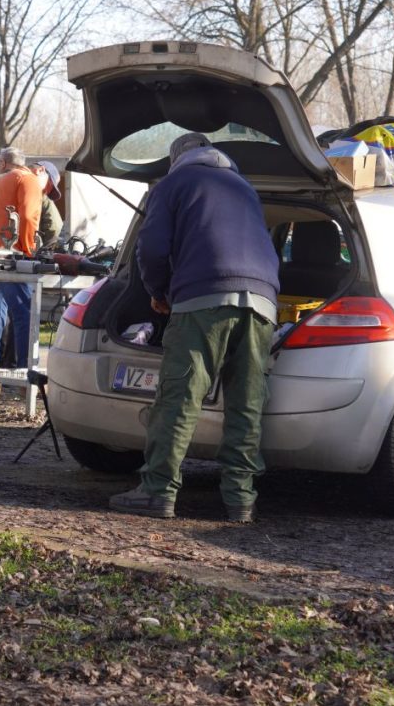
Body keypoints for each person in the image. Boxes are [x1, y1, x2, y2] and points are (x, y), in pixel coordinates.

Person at [109, 133, 279, 524]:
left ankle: (158, 491)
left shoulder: (173, 184)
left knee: (180, 396)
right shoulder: (245, 188)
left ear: (177, 160)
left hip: (203, 297)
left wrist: (159, 291)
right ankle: (240, 500)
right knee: (247, 402)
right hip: (262, 301)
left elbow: (151, 247)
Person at [0, 155, 61, 394]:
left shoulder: (3, 179)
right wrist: (29, 252)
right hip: (8, 258)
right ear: (41, 171)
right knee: (26, 315)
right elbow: (29, 216)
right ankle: (27, 382)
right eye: (49, 187)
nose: (44, 193)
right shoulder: (29, 179)